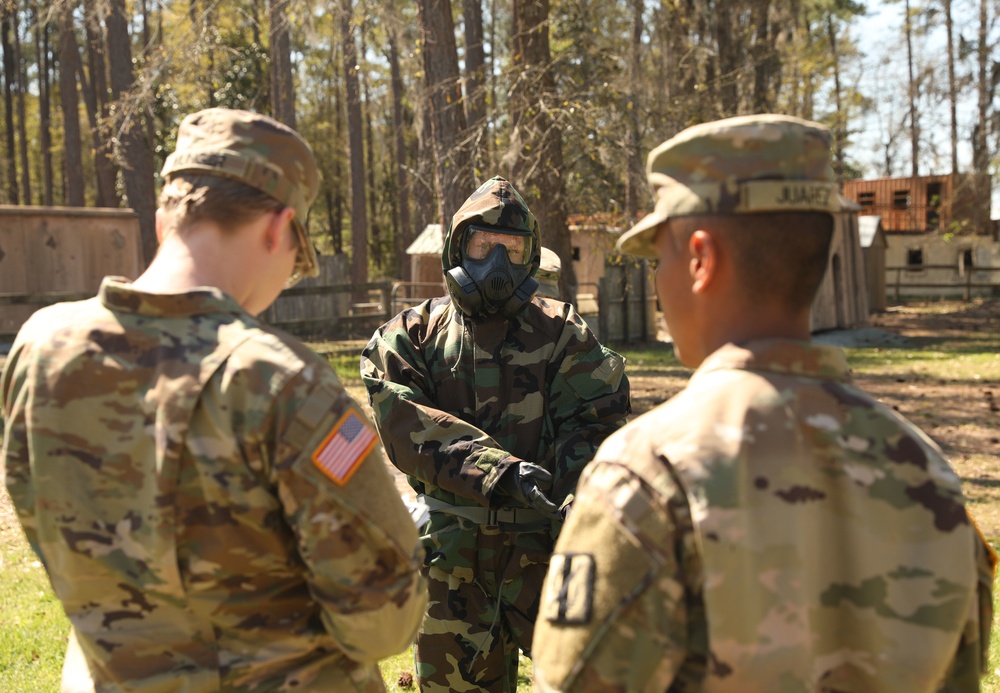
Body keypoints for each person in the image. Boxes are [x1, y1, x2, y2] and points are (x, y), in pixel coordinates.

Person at [532, 114, 996, 692]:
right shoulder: (931, 475)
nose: (658, 283)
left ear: (700, 259)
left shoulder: (650, 472)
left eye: (660, 259)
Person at [1, 108, 427, 692]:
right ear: (278, 228)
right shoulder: (284, 383)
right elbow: (382, 624)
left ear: (162, 220)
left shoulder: (40, 348)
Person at [361, 176, 631, 693]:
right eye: (485, 245)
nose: (498, 263)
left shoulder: (563, 333)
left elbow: (596, 423)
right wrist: (501, 472)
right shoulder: (407, 336)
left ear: (532, 256)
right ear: (458, 247)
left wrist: (576, 497)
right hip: (453, 564)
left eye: (512, 248)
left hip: (546, 553)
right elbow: (405, 425)